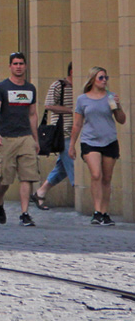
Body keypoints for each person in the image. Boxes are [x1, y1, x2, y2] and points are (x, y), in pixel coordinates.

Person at [68, 66, 126, 226]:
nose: (104, 80)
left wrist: (118, 106)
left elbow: (121, 120)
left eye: (106, 78)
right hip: (90, 141)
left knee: (107, 178)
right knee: (96, 174)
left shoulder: (111, 97)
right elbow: (77, 123)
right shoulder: (82, 99)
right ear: (93, 79)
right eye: (101, 77)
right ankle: (97, 211)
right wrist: (72, 145)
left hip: (109, 140)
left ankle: (105, 212)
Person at [0, 52, 40, 226]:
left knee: (27, 176)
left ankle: (24, 213)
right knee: (4, 178)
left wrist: (35, 139)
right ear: (10, 66)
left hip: (25, 136)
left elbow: (32, 114)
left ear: (25, 66)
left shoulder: (30, 88)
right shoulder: (2, 87)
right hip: (6, 138)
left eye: (21, 63)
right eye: (15, 63)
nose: (18, 66)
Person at [32, 62, 74, 210]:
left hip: (76, 132)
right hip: (63, 133)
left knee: (62, 168)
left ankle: (40, 193)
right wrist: (70, 111)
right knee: (74, 166)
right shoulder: (59, 85)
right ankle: (94, 202)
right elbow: (48, 105)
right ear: (72, 71)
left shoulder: (82, 88)